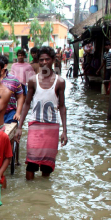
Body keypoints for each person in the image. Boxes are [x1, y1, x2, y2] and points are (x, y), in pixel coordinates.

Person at [17, 46, 68, 180]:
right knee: (31, 163)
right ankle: (31, 196)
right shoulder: (33, 81)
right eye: (41, 60)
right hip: (35, 125)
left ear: (53, 60)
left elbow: (62, 107)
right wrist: (19, 127)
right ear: (38, 61)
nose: (44, 62)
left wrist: (65, 131)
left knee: (47, 165)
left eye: (47, 59)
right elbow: (27, 104)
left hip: (52, 127)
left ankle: (43, 193)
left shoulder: (60, 82)